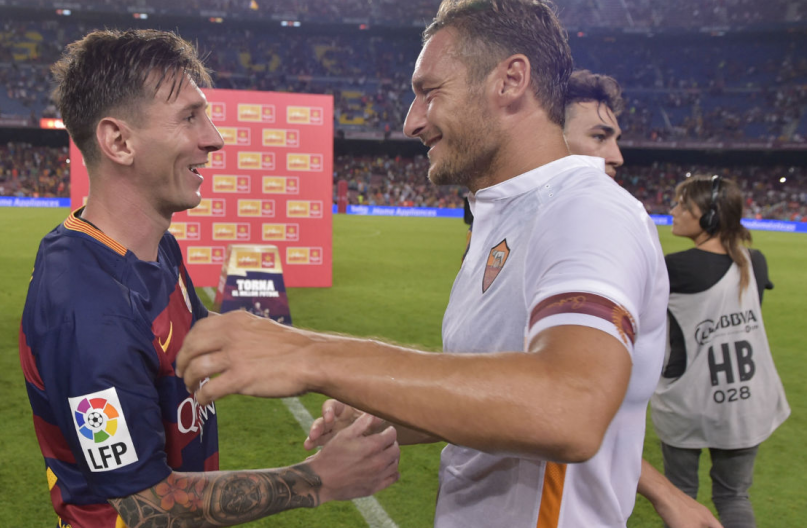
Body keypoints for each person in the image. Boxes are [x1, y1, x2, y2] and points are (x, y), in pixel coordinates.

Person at [177, 1, 670, 526]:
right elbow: (502, 401)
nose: (412, 121)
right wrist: (386, 407)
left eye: (429, 92)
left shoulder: (586, 210)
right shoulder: (501, 221)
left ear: (510, 80)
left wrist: (309, 353)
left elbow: (569, 408)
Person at [20, 29, 399, 528]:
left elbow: (202, 337)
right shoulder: (87, 310)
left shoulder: (153, 247)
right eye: (189, 117)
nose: (214, 138)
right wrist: (319, 479)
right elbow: (146, 507)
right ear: (119, 141)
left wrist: (324, 366)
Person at [563, 69, 723, 528]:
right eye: (599, 136)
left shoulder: (609, 225)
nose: (617, 155)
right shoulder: (508, 227)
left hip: (570, 510)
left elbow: (568, 403)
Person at [651, 175, 789, 528]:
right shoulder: (754, 261)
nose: (674, 211)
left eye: (683, 204)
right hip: (745, 400)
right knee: (734, 498)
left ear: (709, 217)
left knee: (680, 497)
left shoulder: (675, 268)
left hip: (690, 399)